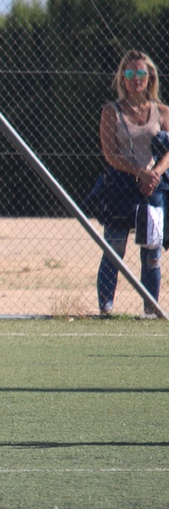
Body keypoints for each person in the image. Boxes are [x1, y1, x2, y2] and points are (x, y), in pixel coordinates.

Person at [95, 51, 169, 317]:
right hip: (121, 185)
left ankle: (150, 309)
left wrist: (155, 173)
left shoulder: (161, 112)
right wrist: (138, 172)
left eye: (140, 74)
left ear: (149, 78)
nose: (135, 79)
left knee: (152, 252)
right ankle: (106, 308)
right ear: (122, 79)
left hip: (153, 188)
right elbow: (110, 154)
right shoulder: (111, 111)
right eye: (130, 74)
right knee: (114, 249)